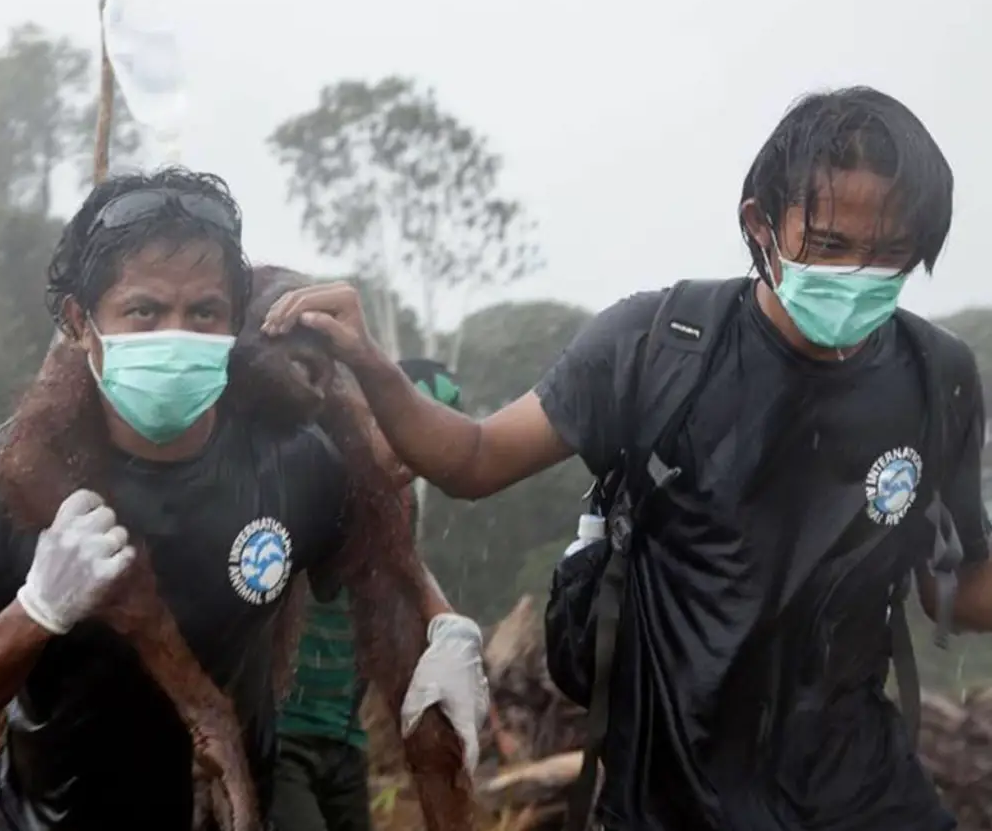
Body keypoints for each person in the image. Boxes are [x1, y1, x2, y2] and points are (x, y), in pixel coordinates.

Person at [261, 87, 992, 831]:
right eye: (829, 246)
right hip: (674, 800)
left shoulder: (937, 376)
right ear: (760, 226)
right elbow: (474, 459)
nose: (857, 277)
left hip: (861, 794)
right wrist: (372, 365)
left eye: (891, 256)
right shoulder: (658, 346)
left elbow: (954, 586)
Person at [0, 166, 488, 831]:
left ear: (235, 323)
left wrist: (443, 635)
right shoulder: (3, 473)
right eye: (143, 311)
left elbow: (384, 576)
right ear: (80, 323)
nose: (175, 337)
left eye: (204, 313)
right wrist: (36, 611)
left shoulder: (294, 464)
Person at [271, 358, 465, 831]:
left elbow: (403, 578)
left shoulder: (400, 505)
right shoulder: (310, 474)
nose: (413, 453)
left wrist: (450, 636)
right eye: (402, 428)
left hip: (343, 734)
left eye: (430, 436)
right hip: (280, 734)